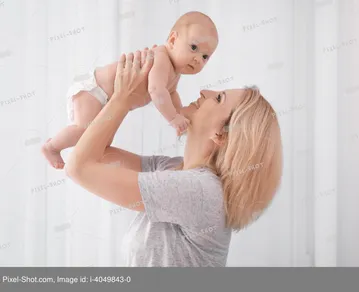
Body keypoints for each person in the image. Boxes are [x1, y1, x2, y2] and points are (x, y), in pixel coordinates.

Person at [65, 48, 283, 267]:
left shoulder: (201, 191)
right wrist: (125, 100)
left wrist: (122, 99)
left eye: (218, 98)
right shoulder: (172, 168)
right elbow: (97, 153)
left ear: (221, 134)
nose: (204, 91)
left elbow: (79, 168)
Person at [42, 11, 219, 169]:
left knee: (101, 141)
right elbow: (157, 91)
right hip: (94, 90)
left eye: (205, 56)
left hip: (106, 99)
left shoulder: (174, 71)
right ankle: (51, 147)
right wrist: (173, 118)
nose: (197, 59)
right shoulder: (161, 58)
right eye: (194, 47)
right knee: (85, 131)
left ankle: (89, 167)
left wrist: (180, 112)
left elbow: (170, 93)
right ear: (172, 40)